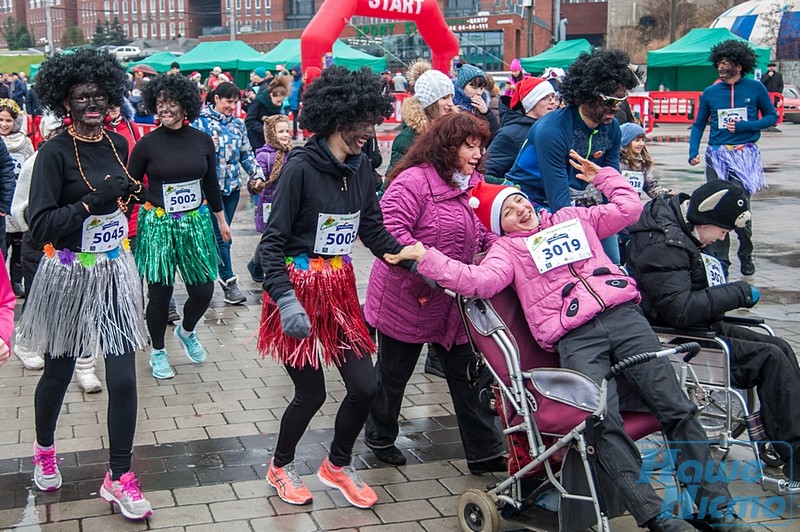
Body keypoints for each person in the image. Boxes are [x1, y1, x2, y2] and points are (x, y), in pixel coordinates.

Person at [385, 152, 754, 532]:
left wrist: (604, 177)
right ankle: (656, 517)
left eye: (519, 201)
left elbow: (629, 210)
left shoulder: (572, 218)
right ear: (501, 226)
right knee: (599, 419)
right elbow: (476, 282)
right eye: (508, 212)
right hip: (576, 338)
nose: (520, 211)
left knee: (677, 407)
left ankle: (718, 511)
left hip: (625, 317)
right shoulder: (506, 252)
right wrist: (425, 257)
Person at [258, 66, 409, 510]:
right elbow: (271, 244)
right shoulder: (300, 169)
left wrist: (410, 258)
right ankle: (281, 466)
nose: (369, 132)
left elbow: (373, 231)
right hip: (296, 292)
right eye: (362, 123)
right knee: (312, 393)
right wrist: (285, 300)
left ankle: (336, 466)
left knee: (366, 386)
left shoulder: (361, 170)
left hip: (339, 290)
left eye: (373, 122)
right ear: (335, 118)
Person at [15, 48, 152, 519]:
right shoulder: (52, 153)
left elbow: (126, 198)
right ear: (65, 102)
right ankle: (45, 449)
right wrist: (91, 204)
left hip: (114, 269)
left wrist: (137, 197)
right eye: (81, 96)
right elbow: (39, 226)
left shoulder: (119, 143)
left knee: (123, 378)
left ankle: (119, 476)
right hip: (68, 272)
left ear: (110, 96)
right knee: (58, 372)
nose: (92, 103)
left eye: (98, 94)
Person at [625, 179, 800, 492]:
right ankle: (795, 453)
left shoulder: (680, 230)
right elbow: (679, 309)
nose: (723, 237)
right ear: (705, 222)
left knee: (780, 346)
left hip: (699, 327)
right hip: (679, 338)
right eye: (723, 231)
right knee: (771, 359)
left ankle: (779, 443)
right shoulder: (664, 245)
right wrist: (737, 293)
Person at [363, 112, 506, 471]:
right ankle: (380, 437)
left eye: (480, 146)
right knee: (393, 375)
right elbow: (390, 230)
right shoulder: (413, 182)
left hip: (456, 302)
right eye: (468, 146)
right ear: (447, 147)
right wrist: (424, 264)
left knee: (467, 375)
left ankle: (486, 452)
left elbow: (486, 228)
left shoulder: (474, 182)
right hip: (407, 298)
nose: (476, 154)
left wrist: (498, 250)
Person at [128, 74, 231, 380]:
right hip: (159, 225)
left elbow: (211, 184)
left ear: (185, 105)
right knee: (159, 293)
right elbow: (131, 186)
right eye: (160, 103)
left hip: (195, 223)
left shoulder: (201, 140)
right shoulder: (146, 144)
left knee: (203, 289)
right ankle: (158, 352)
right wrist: (149, 203)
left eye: (172, 103)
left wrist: (221, 220)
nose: (166, 109)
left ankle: (186, 331)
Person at [504, 48, 640, 265]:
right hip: (532, 199)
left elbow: (611, 184)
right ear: (587, 94)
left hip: (575, 197)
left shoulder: (612, 128)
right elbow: (560, 208)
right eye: (609, 101)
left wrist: (619, 222)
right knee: (575, 266)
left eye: (621, 99)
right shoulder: (552, 129)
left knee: (611, 261)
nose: (617, 107)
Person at [688, 40, 777, 277]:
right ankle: (721, 260)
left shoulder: (755, 88)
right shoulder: (710, 92)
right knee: (716, 207)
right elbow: (698, 125)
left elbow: (772, 117)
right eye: (719, 61)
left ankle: (746, 254)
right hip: (716, 156)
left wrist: (747, 125)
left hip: (743, 155)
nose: (720, 66)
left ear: (739, 65)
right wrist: (692, 151)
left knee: (740, 207)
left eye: (725, 62)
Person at [192, 82, 263, 305]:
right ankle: (229, 283)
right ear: (216, 99)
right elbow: (189, 154)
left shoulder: (238, 125)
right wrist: (205, 148)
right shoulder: (200, 122)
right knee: (223, 237)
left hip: (231, 188)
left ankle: (205, 274)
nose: (232, 106)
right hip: (207, 190)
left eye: (235, 102)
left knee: (219, 237)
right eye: (228, 101)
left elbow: (246, 154)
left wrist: (256, 174)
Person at [386, 61, 455, 175]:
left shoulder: (454, 130)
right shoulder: (407, 138)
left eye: (451, 97)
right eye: (444, 98)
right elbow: (393, 180)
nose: (451, 104)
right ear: (429, 102)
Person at [246, 114, 293, 282]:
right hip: (269, 203)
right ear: (271, 133)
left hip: (288, 202)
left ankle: (274, 266)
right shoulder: (264, 155)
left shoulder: (291, 153)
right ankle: (258, 264)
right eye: (280, 131)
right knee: (270, 237)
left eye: (287, 131)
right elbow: (256, 175)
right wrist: (256, 183)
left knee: (284, 235)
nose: (285, 135)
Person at [485, 77, 556, 182]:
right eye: (545, 97)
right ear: (531, 101)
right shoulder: (510, 135)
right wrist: (512, 190)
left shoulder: (552, 129)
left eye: (553, 97)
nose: (553, 102)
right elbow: (485, 174)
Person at [0, 98, 34, 297]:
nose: (4, 124)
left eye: (8, 121)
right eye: (1, 120)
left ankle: (16, 280)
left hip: (16, 197)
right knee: (3, 245)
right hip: (4, 202)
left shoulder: (24, 142)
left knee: (19, 245)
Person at [245, 76, 290, 150]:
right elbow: (249, 121)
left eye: (281, 102)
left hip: (271, 140)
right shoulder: (258, 102)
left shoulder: (276, 105)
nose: (279, 104)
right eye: (278, 101)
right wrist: (266, 129)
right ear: (271, 95)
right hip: (256, 140)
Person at [452, 63, 499, 135]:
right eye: (474, 87)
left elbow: (495, 135)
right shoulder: (451, 104)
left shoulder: (484, 105)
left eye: (482, 88)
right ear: (462, 87)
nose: (479, 93)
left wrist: (486, 113)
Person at [287, 65, 302, 140]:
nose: (293, 72)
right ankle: (295, 133)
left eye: (294, 71)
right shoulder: (292, 81)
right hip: (293, 103)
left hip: (299, 103)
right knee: (294, 120)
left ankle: (304, 134)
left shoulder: (301, 80)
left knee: (300, 119)